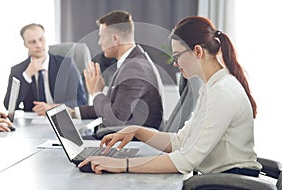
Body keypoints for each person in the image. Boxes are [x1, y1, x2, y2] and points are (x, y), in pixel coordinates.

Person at [78, 16, 262, 176]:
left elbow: (185, 160)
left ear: (198, 51)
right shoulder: (212, 88)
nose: (175, 64)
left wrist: (122, 165)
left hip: (227, 182)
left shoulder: (222, 92)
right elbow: (180, 142)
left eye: (177, 56)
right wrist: (136, 131)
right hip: (220, 177)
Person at [77, 10, 163, 129]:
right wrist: (73, 112)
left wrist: (96, 92)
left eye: (102, 37)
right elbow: (111, 108)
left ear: (115, 39)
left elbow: (115, 119)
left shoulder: (134, 68)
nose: (99, 43)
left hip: (134, 141)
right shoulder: (131, 62)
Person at [4, 23, 87, 116]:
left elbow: (81, 101)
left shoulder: (66, 64)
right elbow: (9, 106)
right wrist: (27, 75)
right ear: (25, 44)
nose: (38, 45)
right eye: (32, 42)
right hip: (32, 123)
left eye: (41, 39)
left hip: (61, 118)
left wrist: (53, 108)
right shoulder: (18, 70)